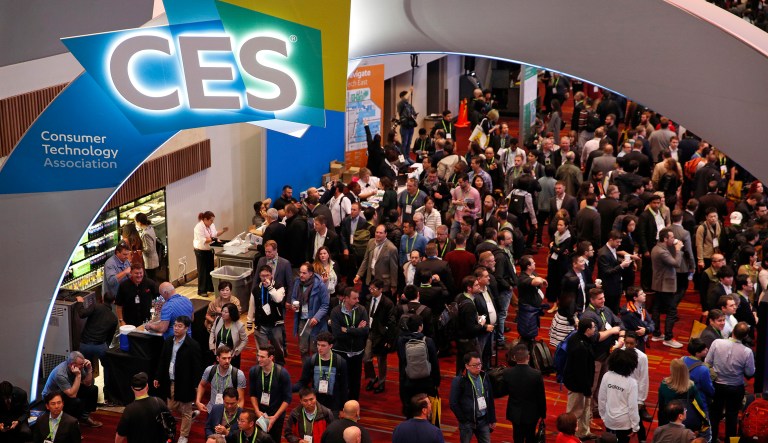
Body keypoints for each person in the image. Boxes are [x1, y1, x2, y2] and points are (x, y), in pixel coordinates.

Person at [155, 316, 202, 443]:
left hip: (185, 382)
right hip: (170, 380)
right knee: (171, 407)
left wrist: (196, 385)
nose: (176, 328)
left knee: (185, 409)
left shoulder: (192, 345)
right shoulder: (169, 341)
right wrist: (158, 376)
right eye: (175, 325)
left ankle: (183, 435)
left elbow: (197, 367)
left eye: (179, 326)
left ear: (186, 328)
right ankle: (176, 426)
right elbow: (163, 360)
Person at [705, 322, 755, 441]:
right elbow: (750, 372)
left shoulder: (717, 343)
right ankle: (731, 441)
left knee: (714, 415)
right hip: (736, 387)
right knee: (732, 418)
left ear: (732, 331)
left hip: (717, 385)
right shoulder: (747, 352)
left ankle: (712, 439)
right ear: (745, 336)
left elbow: (708, 362)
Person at [41, 351, 101, 428]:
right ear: (72, 365)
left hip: (69, 389)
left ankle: (84, 417)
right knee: (75, 401)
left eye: (83, 363)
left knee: (93, 389)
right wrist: (78, 376)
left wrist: (89, 369)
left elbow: (87, 383)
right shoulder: (60, 374)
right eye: (81, 364)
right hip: (52, 396)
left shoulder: (79, 366)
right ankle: (71, 426)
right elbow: (72, 395)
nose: (83, 366)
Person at [293, 331, 348, 414]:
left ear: (330, 346)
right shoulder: (311, 361)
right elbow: (303, 382)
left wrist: (343, 408)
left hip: (334, 405)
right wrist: (288, 388)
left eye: (323, 345)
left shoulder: (340, 362)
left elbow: (344, 387)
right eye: (318, 345)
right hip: (316, 404)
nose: (319, 348)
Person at [396, 315, 441, 418]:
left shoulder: (401, 341)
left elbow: (402, 362)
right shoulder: (428, 341)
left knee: (410, 412)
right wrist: (437, 383)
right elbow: (434, 363)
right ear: (420, 327)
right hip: (427, 382)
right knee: (430, 412)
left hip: (408, 382)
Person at [76, 291, 118, 396]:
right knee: (108, 366)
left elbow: (82, 314)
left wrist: (80, 303)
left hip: (84, 344)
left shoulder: (96, 307)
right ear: (113, 301)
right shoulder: (113, 318)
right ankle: (107, 392)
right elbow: (110, 337)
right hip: (100, 346)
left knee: (85, 367)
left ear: (102, 299)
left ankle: (88, 390)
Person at [657, 359, 710, 442]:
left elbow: (661, 407)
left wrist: (661, 426)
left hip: (668, 420)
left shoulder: (664, 385)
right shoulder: (691, 385)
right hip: (687, 422)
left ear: (672, 371)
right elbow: (700, 405)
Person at [503, 344, 546, 443]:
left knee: (517, 437)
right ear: (529, 357)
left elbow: (504, 390)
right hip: (532, 413)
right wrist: (543, 414)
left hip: (515, 412)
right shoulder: (536, 374)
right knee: (530, 437)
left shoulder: (507, 373)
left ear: (514, 358)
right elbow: (541, 397)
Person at [449, 352, 497, 443]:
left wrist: (492, 418)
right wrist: (463, 420)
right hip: (468, 423)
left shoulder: (484, 376)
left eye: (479, 364)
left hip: (483, 420)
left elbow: (490, 398)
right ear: (467, 366)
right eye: (475, 365)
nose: (478, 367)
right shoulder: (459, 381)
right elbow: (453, 403)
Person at [650, 227, 685, 348]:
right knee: (672, 311)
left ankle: (656, 333)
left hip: (659, 283)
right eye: (671, 237)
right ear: (665, 239)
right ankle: (668, 337)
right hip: (665, 285)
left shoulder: (657, 248)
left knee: (657, 308)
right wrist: (678, 250)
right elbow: (676, 263)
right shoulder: (662, 252)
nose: (674, 239)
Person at [248, 345, 291, 443]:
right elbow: (252, 393)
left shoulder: (282, 373)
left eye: (262, 357)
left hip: (276, 415)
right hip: (260, 414)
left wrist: (275, 417)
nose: (259, 359)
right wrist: (257, 411)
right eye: (258, 356)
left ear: (271, 357)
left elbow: (287, 399)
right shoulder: (254, 371)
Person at [598, 349, 640, 443]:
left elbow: (601, 399)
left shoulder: (607, 376)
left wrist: (604, 417)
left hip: (609, 420)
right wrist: (635, 426)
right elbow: (633, 407)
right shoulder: (632, 383)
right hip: (624, 423)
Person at [363, 279, 397, 395]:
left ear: (381, 290)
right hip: (369, 332)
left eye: (374, 289)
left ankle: (382, 382)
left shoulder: (387, 303)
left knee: (381, 360)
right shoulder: (367, 299)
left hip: (381, 334)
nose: (371, 291)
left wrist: (389, 339)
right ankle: (373, 378)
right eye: (370, 288)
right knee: (366, 358)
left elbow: (392, 322)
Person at [291, 262, 331, 359]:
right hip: (302, 320)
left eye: (304, 273)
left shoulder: (320, 285)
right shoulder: (297, 282)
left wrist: (316, 318)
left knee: (315, 349)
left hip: (315, 322)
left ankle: (315, 371)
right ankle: (306, 370)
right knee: (303, 349)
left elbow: (325, 305)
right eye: (300, 272)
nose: (301, 275)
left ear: (311, 273)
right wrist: (293, 304)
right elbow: (293, 297)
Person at [115, 372, 170, 443]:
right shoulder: (159, 402)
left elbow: (120, 436)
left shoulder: (129, 410)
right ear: (147, 386)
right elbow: (170, 425)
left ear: (132, 388)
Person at [249, 265, 287, 365]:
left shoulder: (279, 286)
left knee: (278, 348)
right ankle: (263, 366)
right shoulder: (256, 289)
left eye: (267, 275)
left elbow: (278, 299)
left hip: (276, 324)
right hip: (261, 325)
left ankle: (279, 366)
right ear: (259, 276)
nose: (265, 278)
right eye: (262, 276)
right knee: (262, 350)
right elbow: (252, 305)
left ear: (271, 275)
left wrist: (270, 287)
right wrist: (249, 320)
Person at [197, 345, 247, 413]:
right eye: (224, 358)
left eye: (229, 358)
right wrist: (198, 401)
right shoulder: (210, 370)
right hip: (212, 411)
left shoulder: (239, 375)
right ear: (217, 358)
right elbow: (202, 385)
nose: (227, 361)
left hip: (229, 414)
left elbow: (240, 400)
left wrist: (234, 416)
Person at [354, 224, 400, 297]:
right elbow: (365, 260)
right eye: (377, 232)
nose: (378, 234)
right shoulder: (370, 242)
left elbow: (394, 269)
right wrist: (359, 275)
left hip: (383, 282)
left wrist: (393, 286)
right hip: (370, 278)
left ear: (386, 234)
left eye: (380, 233)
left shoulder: (391, 249)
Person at [194, 211, 228, 296]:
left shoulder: (211, 225)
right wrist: (214, 239)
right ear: (205, 219)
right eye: (211, 220)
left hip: (209, 250)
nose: (212, 222)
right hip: (200, 251)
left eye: (213, 221)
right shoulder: (198, 227)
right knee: (202, 271)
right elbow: (204, 240)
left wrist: (223, 231)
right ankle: (201, 290)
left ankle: (210, 287)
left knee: (210, 269)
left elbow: (214, 234)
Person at [598, 230, 633, 313]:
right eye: (618, 242)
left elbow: (613, 260)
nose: (619, 244)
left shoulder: (612, 249)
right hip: (609, 287)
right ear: (611, 240)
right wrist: (622, 265)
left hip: (616, 285)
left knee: (615, 309)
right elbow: (607, 271)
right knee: (610, 310)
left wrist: (621, 261)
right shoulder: (603, 253)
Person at [209, 302, 247, 369]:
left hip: (232, 356)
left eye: (226, 312)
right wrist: (211, 346)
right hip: (219, 353)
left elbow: (244, 340)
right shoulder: (218, 320)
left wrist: (236, 352)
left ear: (232, 314)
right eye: (222, 311)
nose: (223, 313)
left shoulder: (239, 325)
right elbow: (212, 332)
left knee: (232, 375)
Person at [134, 213, 160, 280]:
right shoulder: (150, 228)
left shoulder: (145, 234)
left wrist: (141, 249)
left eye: (135, 222)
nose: (135, 223)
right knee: (153, 278)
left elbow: (149, 249)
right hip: (154, 258)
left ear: (139, 223)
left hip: (150, 261)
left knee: (151, 279)